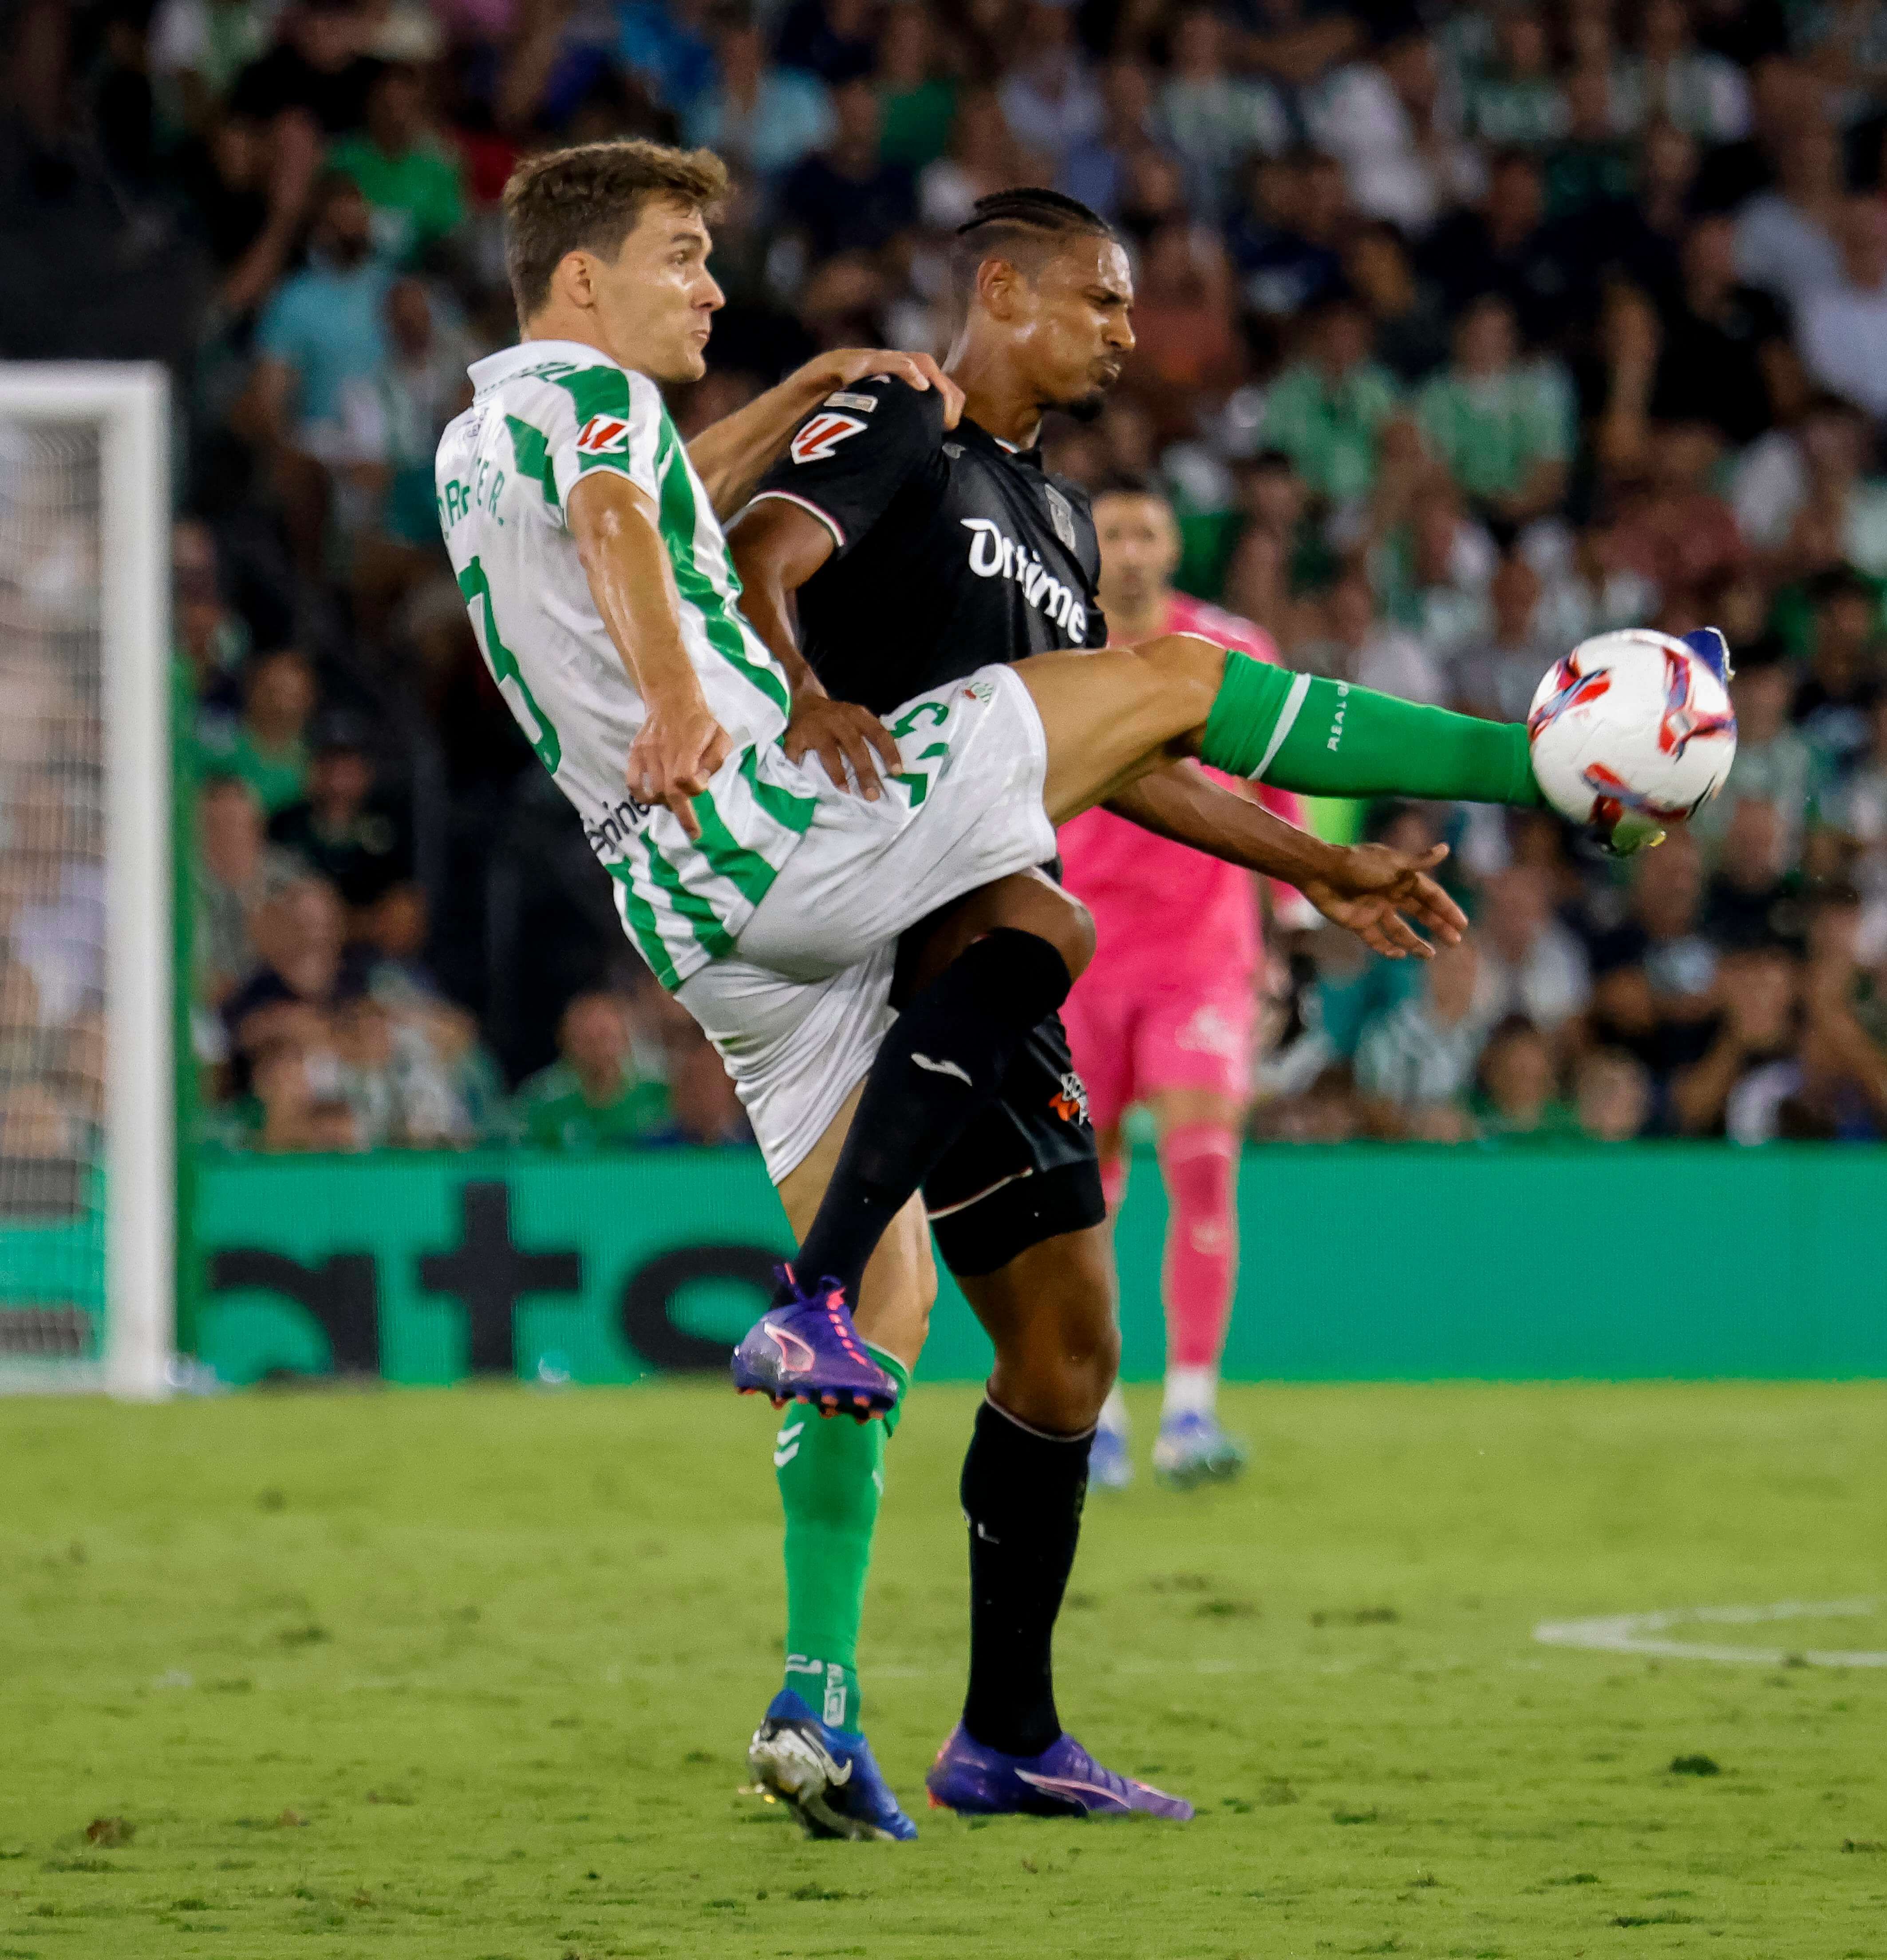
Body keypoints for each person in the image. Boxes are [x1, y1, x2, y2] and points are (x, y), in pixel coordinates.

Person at [433, 141, 1620, 1839]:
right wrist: (709, 689)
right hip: (808, 831)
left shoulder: (500, 434)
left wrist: (1322, 865)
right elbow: (663, 534)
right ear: (579, 281)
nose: (710, 284)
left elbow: (657, 502)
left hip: (696, 893)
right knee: (1080, 858)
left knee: (991, 1333)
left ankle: (830, 1706)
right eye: (685, 257)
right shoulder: (737, 414)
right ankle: (1545, 763)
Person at [1056, 477, 1302, 1489]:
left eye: (1146, 529)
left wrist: (1286, 925)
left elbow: (1284, 784)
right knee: (1082, 1192)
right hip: (1075, 952)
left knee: (1203, 1168)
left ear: (1171, 549)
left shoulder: (1231, 652)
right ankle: (1100, 1416)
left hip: (1201, 953)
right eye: (1112, 530)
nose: (1131, 545)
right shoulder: (1050, 645)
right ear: (1088, 546)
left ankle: (1191, 1413)